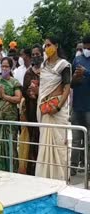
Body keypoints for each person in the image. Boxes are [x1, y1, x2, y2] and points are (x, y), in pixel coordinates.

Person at [35, 37, 71, 180]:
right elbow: (44, 88)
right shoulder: (44, 66)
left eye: (49, 45)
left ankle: (59, 179)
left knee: (58, 145)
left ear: (56, 46)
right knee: (44, 144)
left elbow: (67, 87)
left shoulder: (64, 65)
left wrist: (58, 107)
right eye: (45, 46)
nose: (46, 48)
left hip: (57, 112)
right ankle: (44, 179)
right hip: (45, 111)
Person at [0, 57, 22, 172]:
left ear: (11, 67)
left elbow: (18, 98)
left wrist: (5, 97)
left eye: (6, 66)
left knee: (10, 144)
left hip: (10, 120)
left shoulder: (14, 82)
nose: (4, 68)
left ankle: (11, 170)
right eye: (2, 66)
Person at [19, 44, 43, 175]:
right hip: (31, 110)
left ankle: (42, 168)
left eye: (37, 54)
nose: (35, 57)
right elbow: (24, 91)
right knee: (32, 139)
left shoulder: (46, 71)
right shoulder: (28, 72)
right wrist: (29, 93)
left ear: (42, 55)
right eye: (33, 54)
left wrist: (38, 92)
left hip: (43, 110)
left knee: (42, 139)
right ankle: (31, 170)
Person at [70, 35, 90, 176]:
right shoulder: (77, 59)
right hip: (77, 106)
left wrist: (86, 72)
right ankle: (73, 168)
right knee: (76, 140)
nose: (86, 49)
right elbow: (70, 83)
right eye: (85, 46)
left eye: (88, 47)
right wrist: (76, 77)